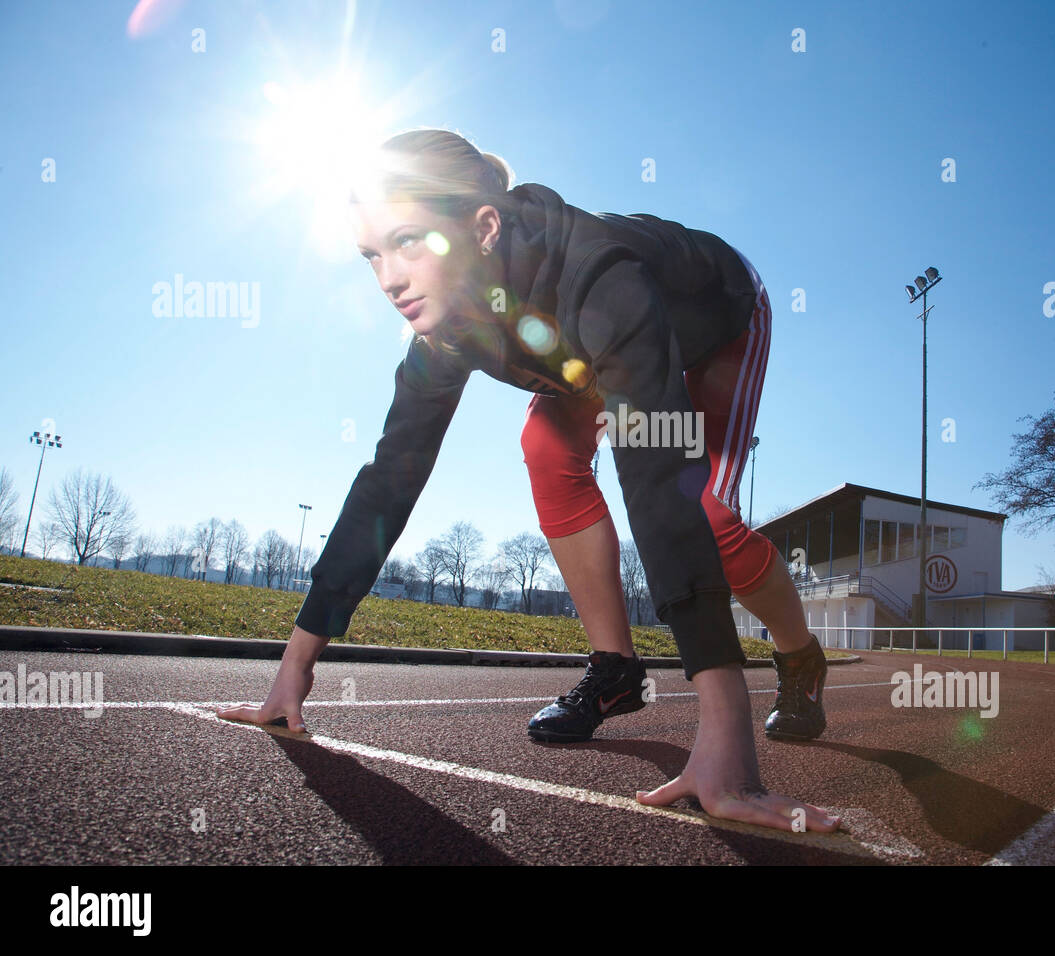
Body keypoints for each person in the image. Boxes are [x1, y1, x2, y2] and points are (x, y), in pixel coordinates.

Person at [218, 128, 837, 833]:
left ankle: (800, 658)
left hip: (716, 319)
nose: (389, 278)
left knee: (704, 516)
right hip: (574, 349)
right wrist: (296, 666)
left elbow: (656, 472)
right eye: (372, 254)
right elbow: (390, 479)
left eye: (410, 241)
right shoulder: (444, 331)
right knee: (544, 448)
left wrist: (727, 740)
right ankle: (616, 670)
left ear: (482, 228)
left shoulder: (596, 274)